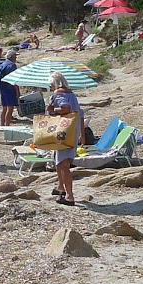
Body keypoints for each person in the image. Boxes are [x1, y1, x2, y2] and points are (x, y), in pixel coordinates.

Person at [46, 71, 83, 206]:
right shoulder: (71, 94)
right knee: (59, 160)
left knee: (63, 165)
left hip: (62, 133)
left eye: (51, 85)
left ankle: (69, 196)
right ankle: (60, 187)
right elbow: (80, 112)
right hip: (72, 130)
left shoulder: (58, 94)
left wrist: (52, 109)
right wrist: (82, 134)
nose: (50, 87)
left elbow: (65, 108)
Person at [0, 48, 20, 126]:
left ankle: (2, 125)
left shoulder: (3, 64)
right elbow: (14, 79)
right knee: (10, 108)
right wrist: (17, 91)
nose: (16, 57)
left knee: (4, 108)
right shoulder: (12, 65)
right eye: (15, 56)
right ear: (12, 56)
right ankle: (7, 126)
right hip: (9, 89)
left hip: (2, 88)